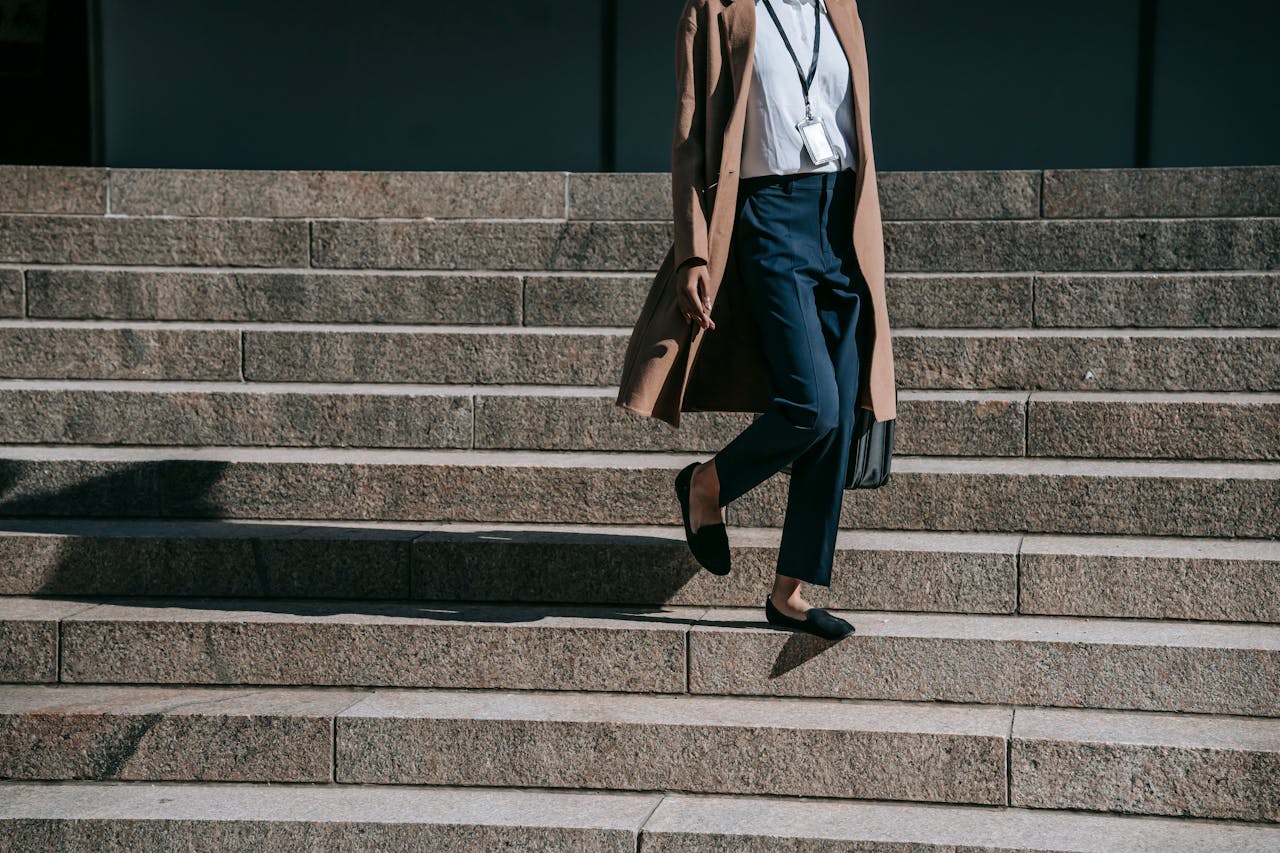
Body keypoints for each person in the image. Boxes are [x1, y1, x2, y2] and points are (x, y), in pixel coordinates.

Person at [671, 0, 874, 640]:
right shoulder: (717, 9)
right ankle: (706, 484)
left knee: (837, 414)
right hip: (768, 219)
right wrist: (693, 253)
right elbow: (690, 137)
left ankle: (789, 593)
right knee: (811, 404)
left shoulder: (839, 7)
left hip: (840, 221)